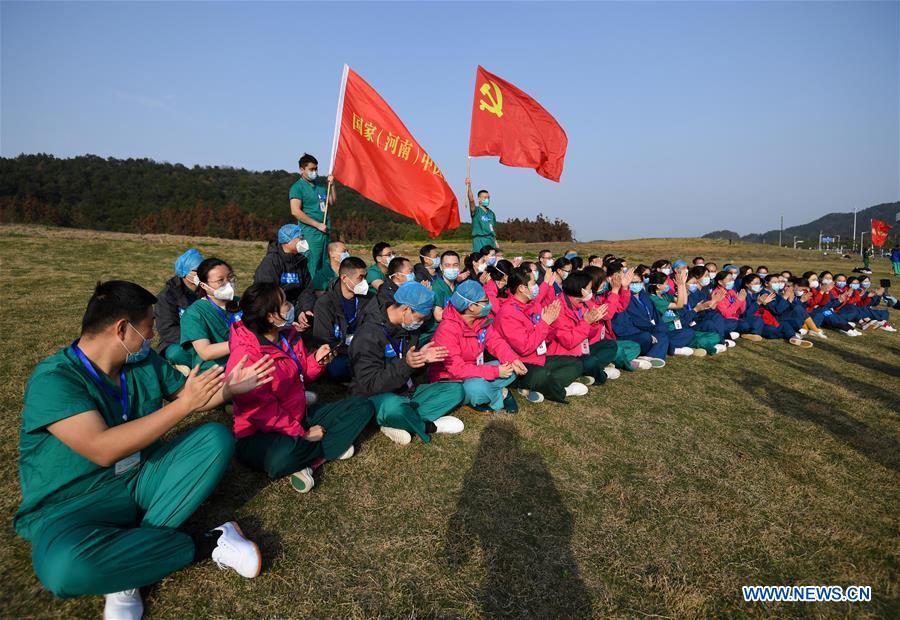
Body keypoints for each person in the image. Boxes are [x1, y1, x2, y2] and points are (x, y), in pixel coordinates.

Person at [15, 281, 273, 618]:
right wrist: (184, 407)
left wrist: (232, 389)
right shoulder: (55, 380)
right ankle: (208, 543)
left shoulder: (141, 361)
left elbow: (190, 397)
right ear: (122, 328)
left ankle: (128, 558)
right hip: (72, 506)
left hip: (139, 478)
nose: (152, 335)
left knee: (215, 439)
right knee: (64, 572)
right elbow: (102, 448)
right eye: (149, 325)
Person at [227, 283, 374, 494]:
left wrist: (317, 361)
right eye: (285, 303)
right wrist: (303, 434)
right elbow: (264, 413)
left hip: (298, 414)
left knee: (362, 407)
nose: (291, 306)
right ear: (270, 316)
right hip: (260, 433)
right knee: (281, 459)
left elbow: (301, 373)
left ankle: (310, 457)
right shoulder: (247, 356)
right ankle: (321, 449)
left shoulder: (288, 334)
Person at [349, 282, 465, 445]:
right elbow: (369, 385)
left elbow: (410, 368)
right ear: (406, 310)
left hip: (406, 392)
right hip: (377, 397)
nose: (422, 322)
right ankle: (427, 425)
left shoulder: (408, 329)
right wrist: (407, 364)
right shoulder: (368, 335)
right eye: (421, 318)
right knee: (393, 406)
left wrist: (422, 359)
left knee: (455, 390)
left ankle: (399, 421)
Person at [428, 280, 525, 414]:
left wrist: (513, 359)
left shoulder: (481, 320)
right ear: (472, 307)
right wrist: (495, 372)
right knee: (476, 387)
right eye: (485, 301)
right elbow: (457, 370)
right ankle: (499, 395)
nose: (489, 304)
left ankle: (485, 393)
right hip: (452, 379)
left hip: (476, 369)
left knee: (511, 367)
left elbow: (496, 342)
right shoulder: (447, 330)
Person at [492, 267, 585, 403]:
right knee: (541, 374)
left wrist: (550, 324)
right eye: (533, 283)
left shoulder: (531, 305)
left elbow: (544, 339)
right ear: (522, 288)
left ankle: (538, 386)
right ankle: (560, 391)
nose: (536, 287)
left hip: (538, 358)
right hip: (521, 364)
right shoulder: (508, 313)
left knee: (575, 363)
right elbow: (524, 348)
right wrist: (544, 323)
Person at [547, 272, 622, 386]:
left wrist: (593, 322)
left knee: (610, 345)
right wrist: (586, 322)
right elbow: (569, 342)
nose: (591, 292)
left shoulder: (581, 304)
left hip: (581, 349)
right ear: (581, 290)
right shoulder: (558, 308)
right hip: (564, 355)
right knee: (590, 361)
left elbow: (588, 335)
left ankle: (582, 373)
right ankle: (601, 375)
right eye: (589, 288)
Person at [311, 257, 375, 381]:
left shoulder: (369, 299)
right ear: (344, 278)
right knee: (336, 368)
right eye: (360, 278)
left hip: (364, 349)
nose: (364, 282)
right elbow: (323, 340)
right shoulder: (325, 303)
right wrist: (352, 351)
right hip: (339, 353)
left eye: (365, 277)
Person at [180, 258, 243, 370]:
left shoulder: (243, 303)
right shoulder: (194, 313)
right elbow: (205, 352)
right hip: (216, 372)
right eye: (220, 280)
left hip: (247, 363)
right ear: (204, 286)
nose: (228, 283)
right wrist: (243, 342)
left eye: (230, 277)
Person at [587, 263, 648, 370]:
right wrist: (615, 290)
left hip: (605, 340)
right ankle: (624, 362)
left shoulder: (599, 297)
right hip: (591, 344)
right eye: (601, 281)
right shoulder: (587, 300)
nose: (604, 283)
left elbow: (619, 307)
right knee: (617, 350)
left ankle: (611, 361)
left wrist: (624, 288)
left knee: (634, 346)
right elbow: (607, 315)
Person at [647, 272, 725, 356]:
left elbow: (683, 302)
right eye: (666, 283)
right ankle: (706, 347)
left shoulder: (665, 296)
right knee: (689, 333)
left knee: (714, 335)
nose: (668, 285)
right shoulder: (654, 299)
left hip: (681, 326)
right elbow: (679, 305)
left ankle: (697, 345)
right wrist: (680, 286)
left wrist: (682, 285)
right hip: (671, 330)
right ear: (658, 286)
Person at [252, 224, 316, 320]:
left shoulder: (301, 261)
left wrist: (305, 310)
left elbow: (307, 289)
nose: (304, 242)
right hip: (276, 311)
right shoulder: (271, 262)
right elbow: (267, 293)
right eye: (300, 238)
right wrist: (288, 317)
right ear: (287, 241)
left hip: (296, 308)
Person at [155, 248, 203, 372]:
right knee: (175, 354)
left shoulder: (206, 290)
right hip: (179, 342)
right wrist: (196, 339)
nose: (202, 274)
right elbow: (167, 329)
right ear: (184, 272)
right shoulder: (166, 297)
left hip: (207, 337)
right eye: (197, 271)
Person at [289, 153, 335, 279]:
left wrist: (332, 185)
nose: (314, 172)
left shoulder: (320, 186)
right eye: (311, 169)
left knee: (324, 265)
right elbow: (295, 211)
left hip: (325, 231)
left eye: (316, 169)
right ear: (302, 169)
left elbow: (331, 202)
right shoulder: (297, 188)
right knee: (312, 265)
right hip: (311, 233)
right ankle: (309, 292)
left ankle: (323, 290)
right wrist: (317, 225)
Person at [713, 271, 764, 341]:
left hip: (737, 319)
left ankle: (752, 334)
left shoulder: (731, 291)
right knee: (735, 324)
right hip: (726, 320)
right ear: (720, 282)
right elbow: (726, 314)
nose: (732, 281)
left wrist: (742, 301)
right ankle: (738, 333)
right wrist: (738, 301)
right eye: (729, 280)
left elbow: (741, 311)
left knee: (757, 319)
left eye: (732, 279)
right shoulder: (717, 294)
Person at [466, 177, 497, 253]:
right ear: (479, 199)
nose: (487, 199)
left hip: (491, 241)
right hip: (479, 240)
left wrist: (495, 242)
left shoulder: (491, 213)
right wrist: (469, 186)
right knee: (480, 261)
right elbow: (471, 200)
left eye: (488, 198)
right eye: (485, 197)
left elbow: (492, 229)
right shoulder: (476, 211)